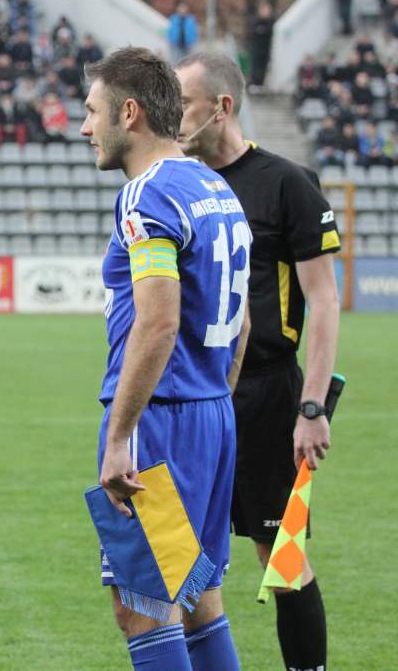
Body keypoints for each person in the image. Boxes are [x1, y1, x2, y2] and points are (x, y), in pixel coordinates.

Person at [81, 47, 249, 670]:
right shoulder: (215, 186)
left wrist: (122, 433)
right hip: (209, 413)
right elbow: (244, 318)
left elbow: (159, 318)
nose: (84, 127)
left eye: (92, 111)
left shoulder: (145, 196)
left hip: (161, 422)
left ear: (129, 113)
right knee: (199, 597)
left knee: (143, 607)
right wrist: (217, 393)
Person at [176, 51, 340, 671]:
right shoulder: (184, 185)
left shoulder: (286, 183)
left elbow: (323, 301)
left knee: (282, 553)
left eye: (184, 105)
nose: (174, 118)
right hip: (196, 393)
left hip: (271, 395)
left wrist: (312, 407)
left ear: (221, 107)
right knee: (184, 551)